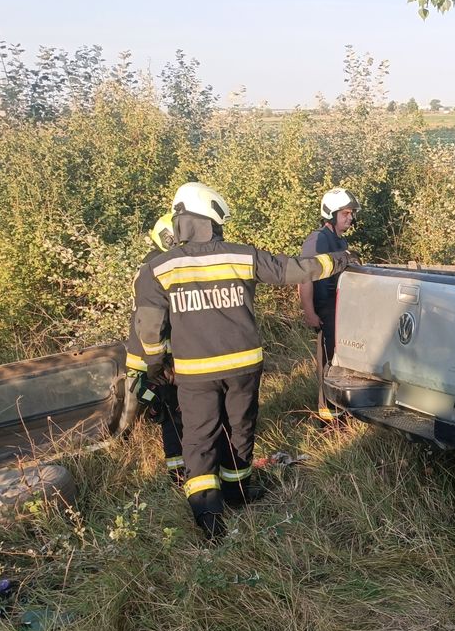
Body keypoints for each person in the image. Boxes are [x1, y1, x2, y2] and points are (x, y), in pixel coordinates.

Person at [135, 181, 353, 538]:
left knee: (199, 440)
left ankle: (209, 521)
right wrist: (341, 260)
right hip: (243, 367)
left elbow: (149, 328)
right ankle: (239, 495)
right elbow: (293, 270)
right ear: (213, 218)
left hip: (194, 374)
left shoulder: (158, 268)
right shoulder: (240, 254)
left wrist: (157, 366)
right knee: (240, 430)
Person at [124, 213, 185, 484]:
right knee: (173, 415)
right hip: (153, 361)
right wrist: (164, 365)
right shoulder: (157, 269)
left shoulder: (150, 265)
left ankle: (180, 467)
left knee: (166, 411)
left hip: (146, 359)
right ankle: (179, 473)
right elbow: (158, 325)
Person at [299, 187, 360, 423]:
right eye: (345, 213)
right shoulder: (318, 240)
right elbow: (305, 277)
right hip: (325, 310)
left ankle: (342, 413)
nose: (350, 218)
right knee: (327, 363)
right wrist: (310, 313)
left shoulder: (339, 240)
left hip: (340, 310)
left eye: (351, 214)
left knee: (340, 362)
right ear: (331, 214)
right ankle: (327, 420)